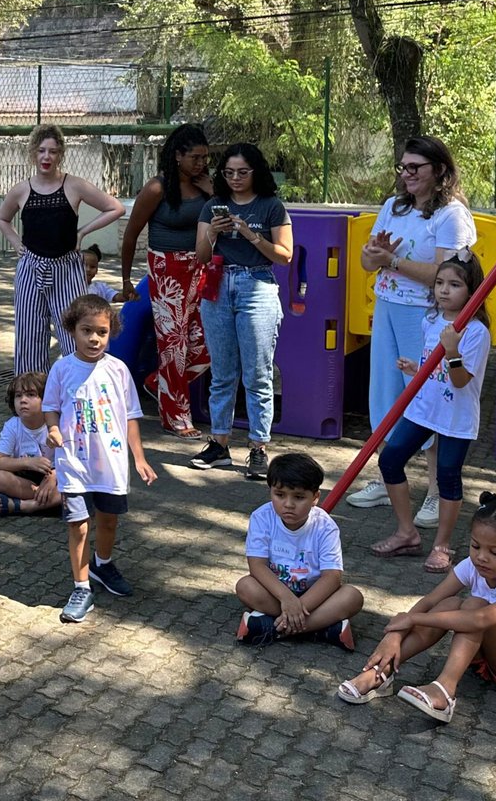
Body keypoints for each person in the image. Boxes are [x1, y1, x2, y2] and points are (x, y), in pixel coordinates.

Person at [337, 493, 496, 725]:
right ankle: (381, 672)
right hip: (485, 661)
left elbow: (481, 619)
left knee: (474, 607)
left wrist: (413, 620)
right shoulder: (472, 566)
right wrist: (395, 635)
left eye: (495, 553)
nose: (481, 557)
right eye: (475, 546)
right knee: (451, 604)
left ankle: (445, 690)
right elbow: (431, 601)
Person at [347, 135, 477, 521]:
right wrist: (375, 256)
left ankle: (438, 491)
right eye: (402, 168)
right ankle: (388, 479)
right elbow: (369, 263)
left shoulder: (451, 214)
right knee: (385, 393)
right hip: (388, 306)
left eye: (415, 168)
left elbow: (449, 274)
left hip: (425, 314)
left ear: (439, 171)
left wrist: (392, 260)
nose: (406, 175)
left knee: (428, 397)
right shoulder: (393, 205)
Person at [371, 254, 492, 574]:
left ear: (472, 290)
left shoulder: (476, 332)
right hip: (424, 408)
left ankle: (442, 545)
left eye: (454, 285)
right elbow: (433, 366)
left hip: (456, 416)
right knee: (390, 459)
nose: (444, 291)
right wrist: (417, 369)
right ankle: (406, 532)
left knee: (448, 475)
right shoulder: (431, 319)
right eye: (440, 283)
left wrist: (452, 350)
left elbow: (461, 379)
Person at [44, 294, 157, 623]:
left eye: (102, 332)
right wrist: (52, 428)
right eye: (86, 330)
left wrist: (140, 458)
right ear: (72, 331)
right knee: (78, 526)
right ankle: (81, 587)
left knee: (108, 521)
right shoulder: (62, 369)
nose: (94, 338)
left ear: (111, 333)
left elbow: (131, 417)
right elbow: (50, 407)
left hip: (111, 465)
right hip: (73, 464)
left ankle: (102, 565)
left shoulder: (119, 370)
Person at [189, 143, 293, 480]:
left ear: (256, 173)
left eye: (242, 172)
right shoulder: (212, 206)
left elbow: (285, 255)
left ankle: (258, 448)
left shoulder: (271, 206)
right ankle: (219, 444)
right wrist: (214, 235)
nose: (235, 178)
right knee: (221, 371)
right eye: (229, 172)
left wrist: (250, 235)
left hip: (257, 285)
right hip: (218, 285)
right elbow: (201, 256)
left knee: (257, 374)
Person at [0, 124, 126, 374]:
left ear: (61, 155)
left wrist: (83, 231)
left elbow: (116, 208)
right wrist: (16, 243)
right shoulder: (22, 189)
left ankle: (77, 392)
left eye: (53, 152)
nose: (47, 157)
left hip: (66, 267)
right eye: (42, 151)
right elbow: (2, 218)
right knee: (29, 335)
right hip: (31, 269)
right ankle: (33, 401)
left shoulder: (74, 185)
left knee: (74, 331)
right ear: (33, 152)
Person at [118, 123, 213, 438]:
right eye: (195, 158)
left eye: (205, 158)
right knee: (173, 344)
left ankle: (157, 382)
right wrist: (127, 282)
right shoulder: (157, 188)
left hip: (200, 269)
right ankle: (175, 417)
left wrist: (214, 192)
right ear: (177, 156)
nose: (201, 164)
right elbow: (131, 235)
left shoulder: (205, 186)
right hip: (167, 271)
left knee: (207, 341)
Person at [235, 453, 364, 649]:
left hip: (316, 596)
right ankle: (323, 629)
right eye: (279, 495)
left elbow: (331, 577)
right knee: (245, 586)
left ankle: (272, 628)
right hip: (276, 594)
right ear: (270, 491)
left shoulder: (325, 526)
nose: (288, 504)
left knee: (353, 597)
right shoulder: (261, 517)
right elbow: (257, 566)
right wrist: (287, 599)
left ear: (315, 498)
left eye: (299, 497)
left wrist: (299, 606)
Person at [0, 371, 61, 516]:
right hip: (27, 480)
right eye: (18, 395)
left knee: (77, 486)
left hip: (56, 477)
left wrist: (54, 476)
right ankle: (49, 502)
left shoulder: (56, 424)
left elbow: (74, 459)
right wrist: (28, 462)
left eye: (31, 395)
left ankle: (24, 506)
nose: (23, 400)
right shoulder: (12, 426)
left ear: (46, 399)